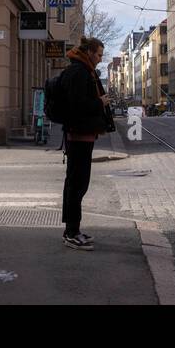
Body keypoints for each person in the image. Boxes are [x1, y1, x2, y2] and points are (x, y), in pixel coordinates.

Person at [57, 37, 110, 250]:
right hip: (77, 134)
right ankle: (71, 232)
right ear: (88, 52)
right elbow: (77, 105)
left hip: (81, 134)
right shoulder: (78, 72)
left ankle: (73, 229)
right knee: (76, 184)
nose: (99, 59)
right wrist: (100, 102)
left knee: (78, 184)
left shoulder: (83, 70)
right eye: (98, 54)